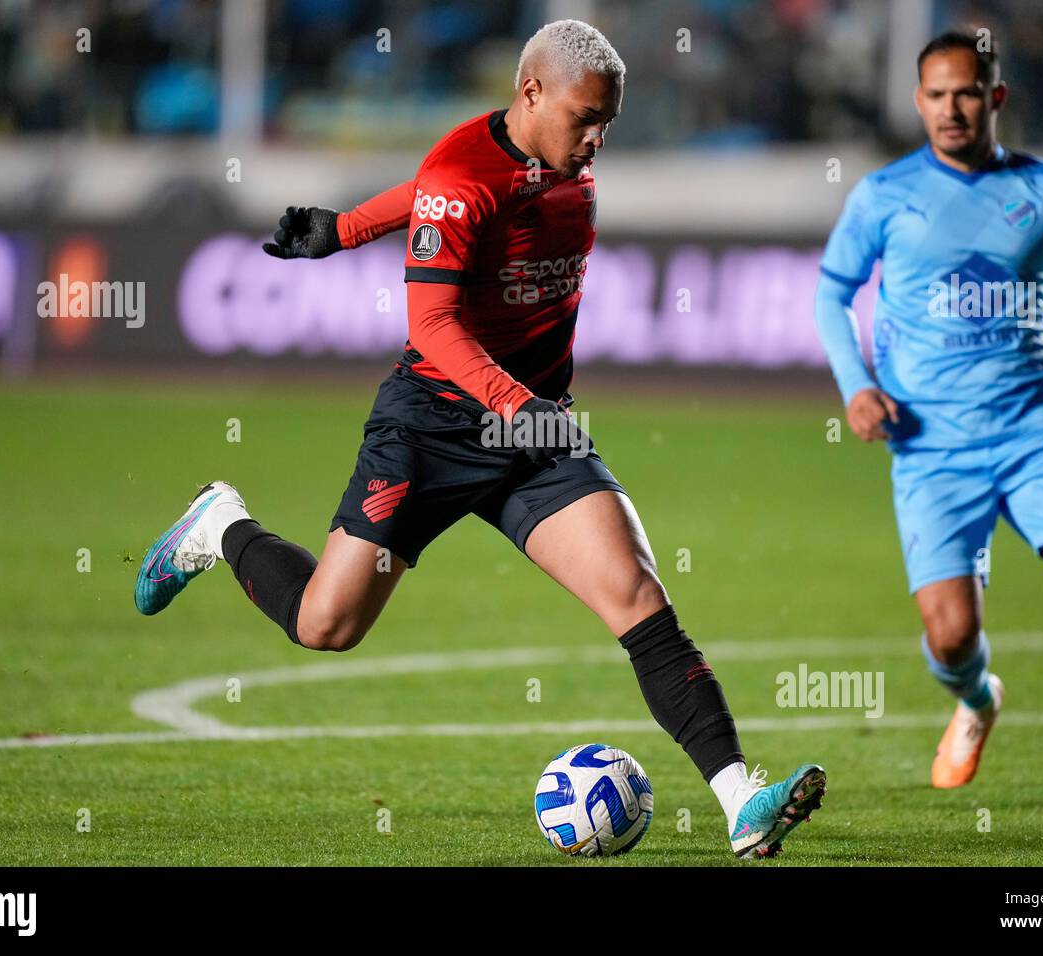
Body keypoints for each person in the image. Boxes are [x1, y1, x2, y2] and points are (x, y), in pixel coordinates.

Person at [136, 19, 826, 856]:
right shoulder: (467, 176)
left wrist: (347, 227)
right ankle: (220, 524)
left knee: (638, 598)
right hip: (430, 427)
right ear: (531, 92)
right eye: (585, 118)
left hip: (533, 434)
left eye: (607, 121)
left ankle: (740, 800)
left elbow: (433, 192)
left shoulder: (560, 168)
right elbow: (431, 317)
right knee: (327, 625)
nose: (597, 138)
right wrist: (510, 399)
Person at [815, 31, 1043, 798]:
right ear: (918, 102)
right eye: (938, 95)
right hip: (928, 447)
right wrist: (855, 382)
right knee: (951, 636)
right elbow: (830, 292)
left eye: (968, 92)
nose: (953, 109)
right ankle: (979, 699)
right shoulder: (884, 196)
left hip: (1031, 430)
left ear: (996, 98)